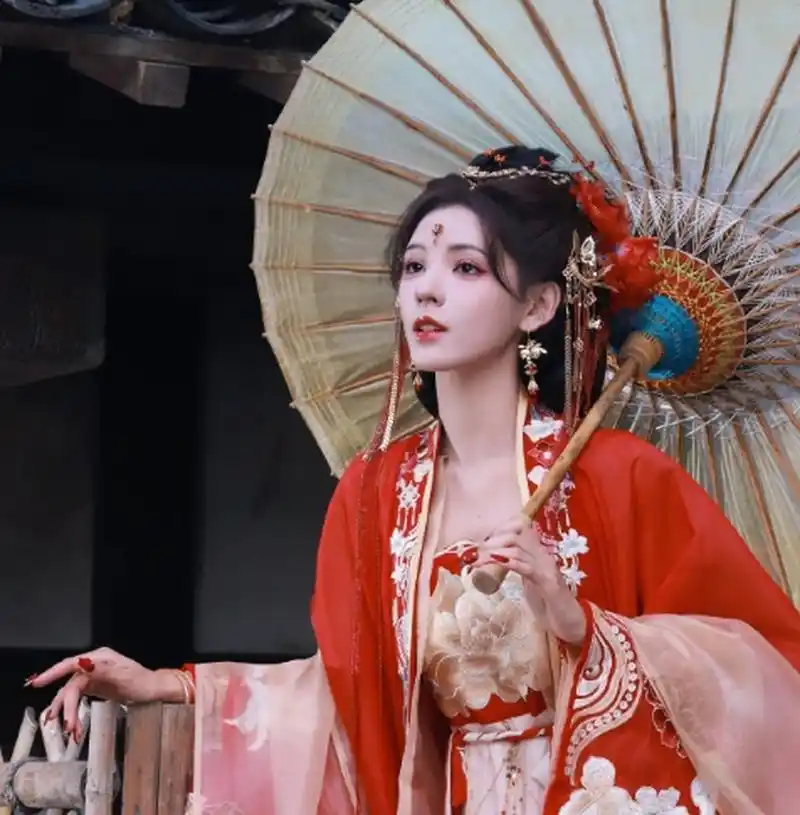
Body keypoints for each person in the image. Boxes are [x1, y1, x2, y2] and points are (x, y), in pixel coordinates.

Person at [29, 147, 800, 814]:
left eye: (465, 267)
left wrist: (583, 629)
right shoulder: (374, 493)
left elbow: (762, 671)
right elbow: (350, 695)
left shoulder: (621, 476)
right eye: (413, 266)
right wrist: (171, 686)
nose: (426, 290)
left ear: (538, 305)